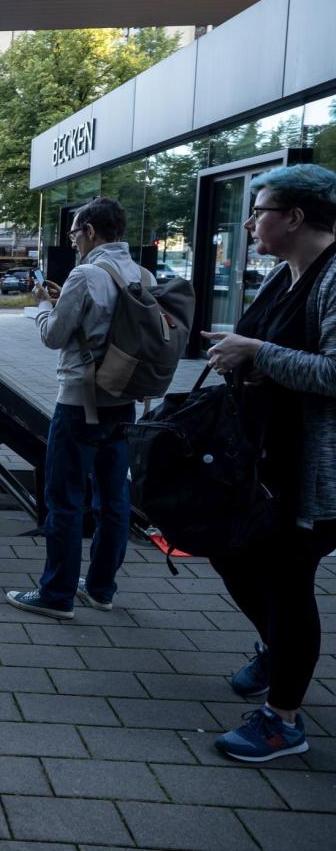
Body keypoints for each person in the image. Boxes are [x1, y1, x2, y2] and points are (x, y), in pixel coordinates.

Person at [200, 164, 336, 763]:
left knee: (288, 581)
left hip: (313, 474)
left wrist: (257, 351)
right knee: (231, 551)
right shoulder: (285, 275)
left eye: (260, 210)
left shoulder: (333, 278)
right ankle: (275, 647)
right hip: (266, 460)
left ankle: (283, 721)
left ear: (295, 218)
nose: (251, 222)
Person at [6, 196, 151, 621]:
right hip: (124, 403)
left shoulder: (85, 274)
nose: (72, 242)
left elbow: (53, 336)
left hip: (79, 402)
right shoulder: (141, 273)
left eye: (73, 234)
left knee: (65, 499)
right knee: (114, 498)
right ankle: (102, 587)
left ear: (89, 230)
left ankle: (57, 593)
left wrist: (43, 304)